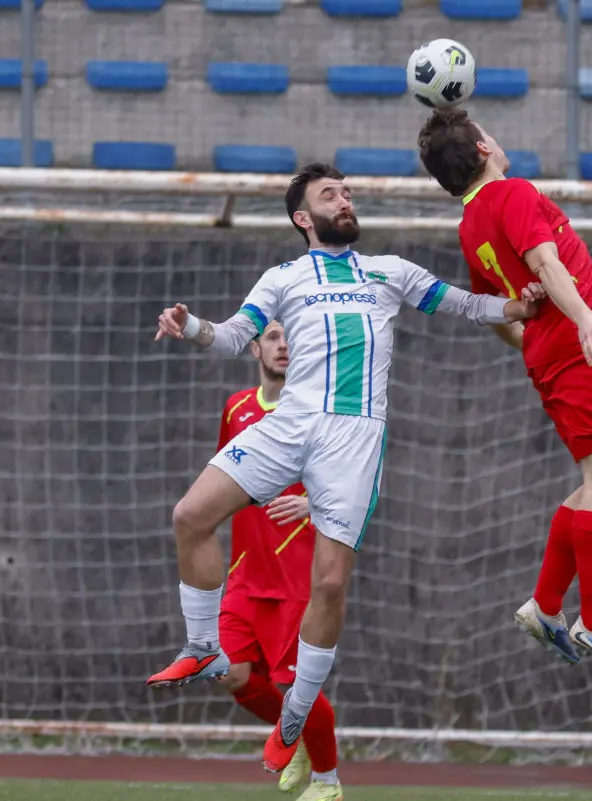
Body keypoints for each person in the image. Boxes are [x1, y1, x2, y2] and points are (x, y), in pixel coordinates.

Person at [148, 162, 545, 775]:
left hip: (354, 436)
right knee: (190, 515)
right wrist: (190, 326)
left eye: (347, 193)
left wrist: (519, 306)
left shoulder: (390, 271)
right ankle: (202, 646)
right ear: (303, 217)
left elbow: (466, 305)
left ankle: (296, 713)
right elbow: (232, 337)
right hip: (291, 422)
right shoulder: (283, 277)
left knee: (330, 584)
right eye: (330, 195)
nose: (344, 200)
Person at [416, 107, 592, 674]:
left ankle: (545, 607)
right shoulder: (512, 193)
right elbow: (545, 262)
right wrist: (583, 318)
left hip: (551, 352)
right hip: (581, 345)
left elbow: (496, 310)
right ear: (482, 149)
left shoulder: (471, 224)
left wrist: (537, 340)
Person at [214, 320, 342, 801]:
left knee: (297, 687)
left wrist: (312, 504)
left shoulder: (322, 412)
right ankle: (300, 735)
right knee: (230, 673)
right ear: (255, 349)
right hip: (245, 574)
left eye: (292, 337)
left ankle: (327, 783)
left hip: (296, 576)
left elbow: (354, 478)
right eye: (272, 337)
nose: (284, 345)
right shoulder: (236, 408)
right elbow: (221, 478)